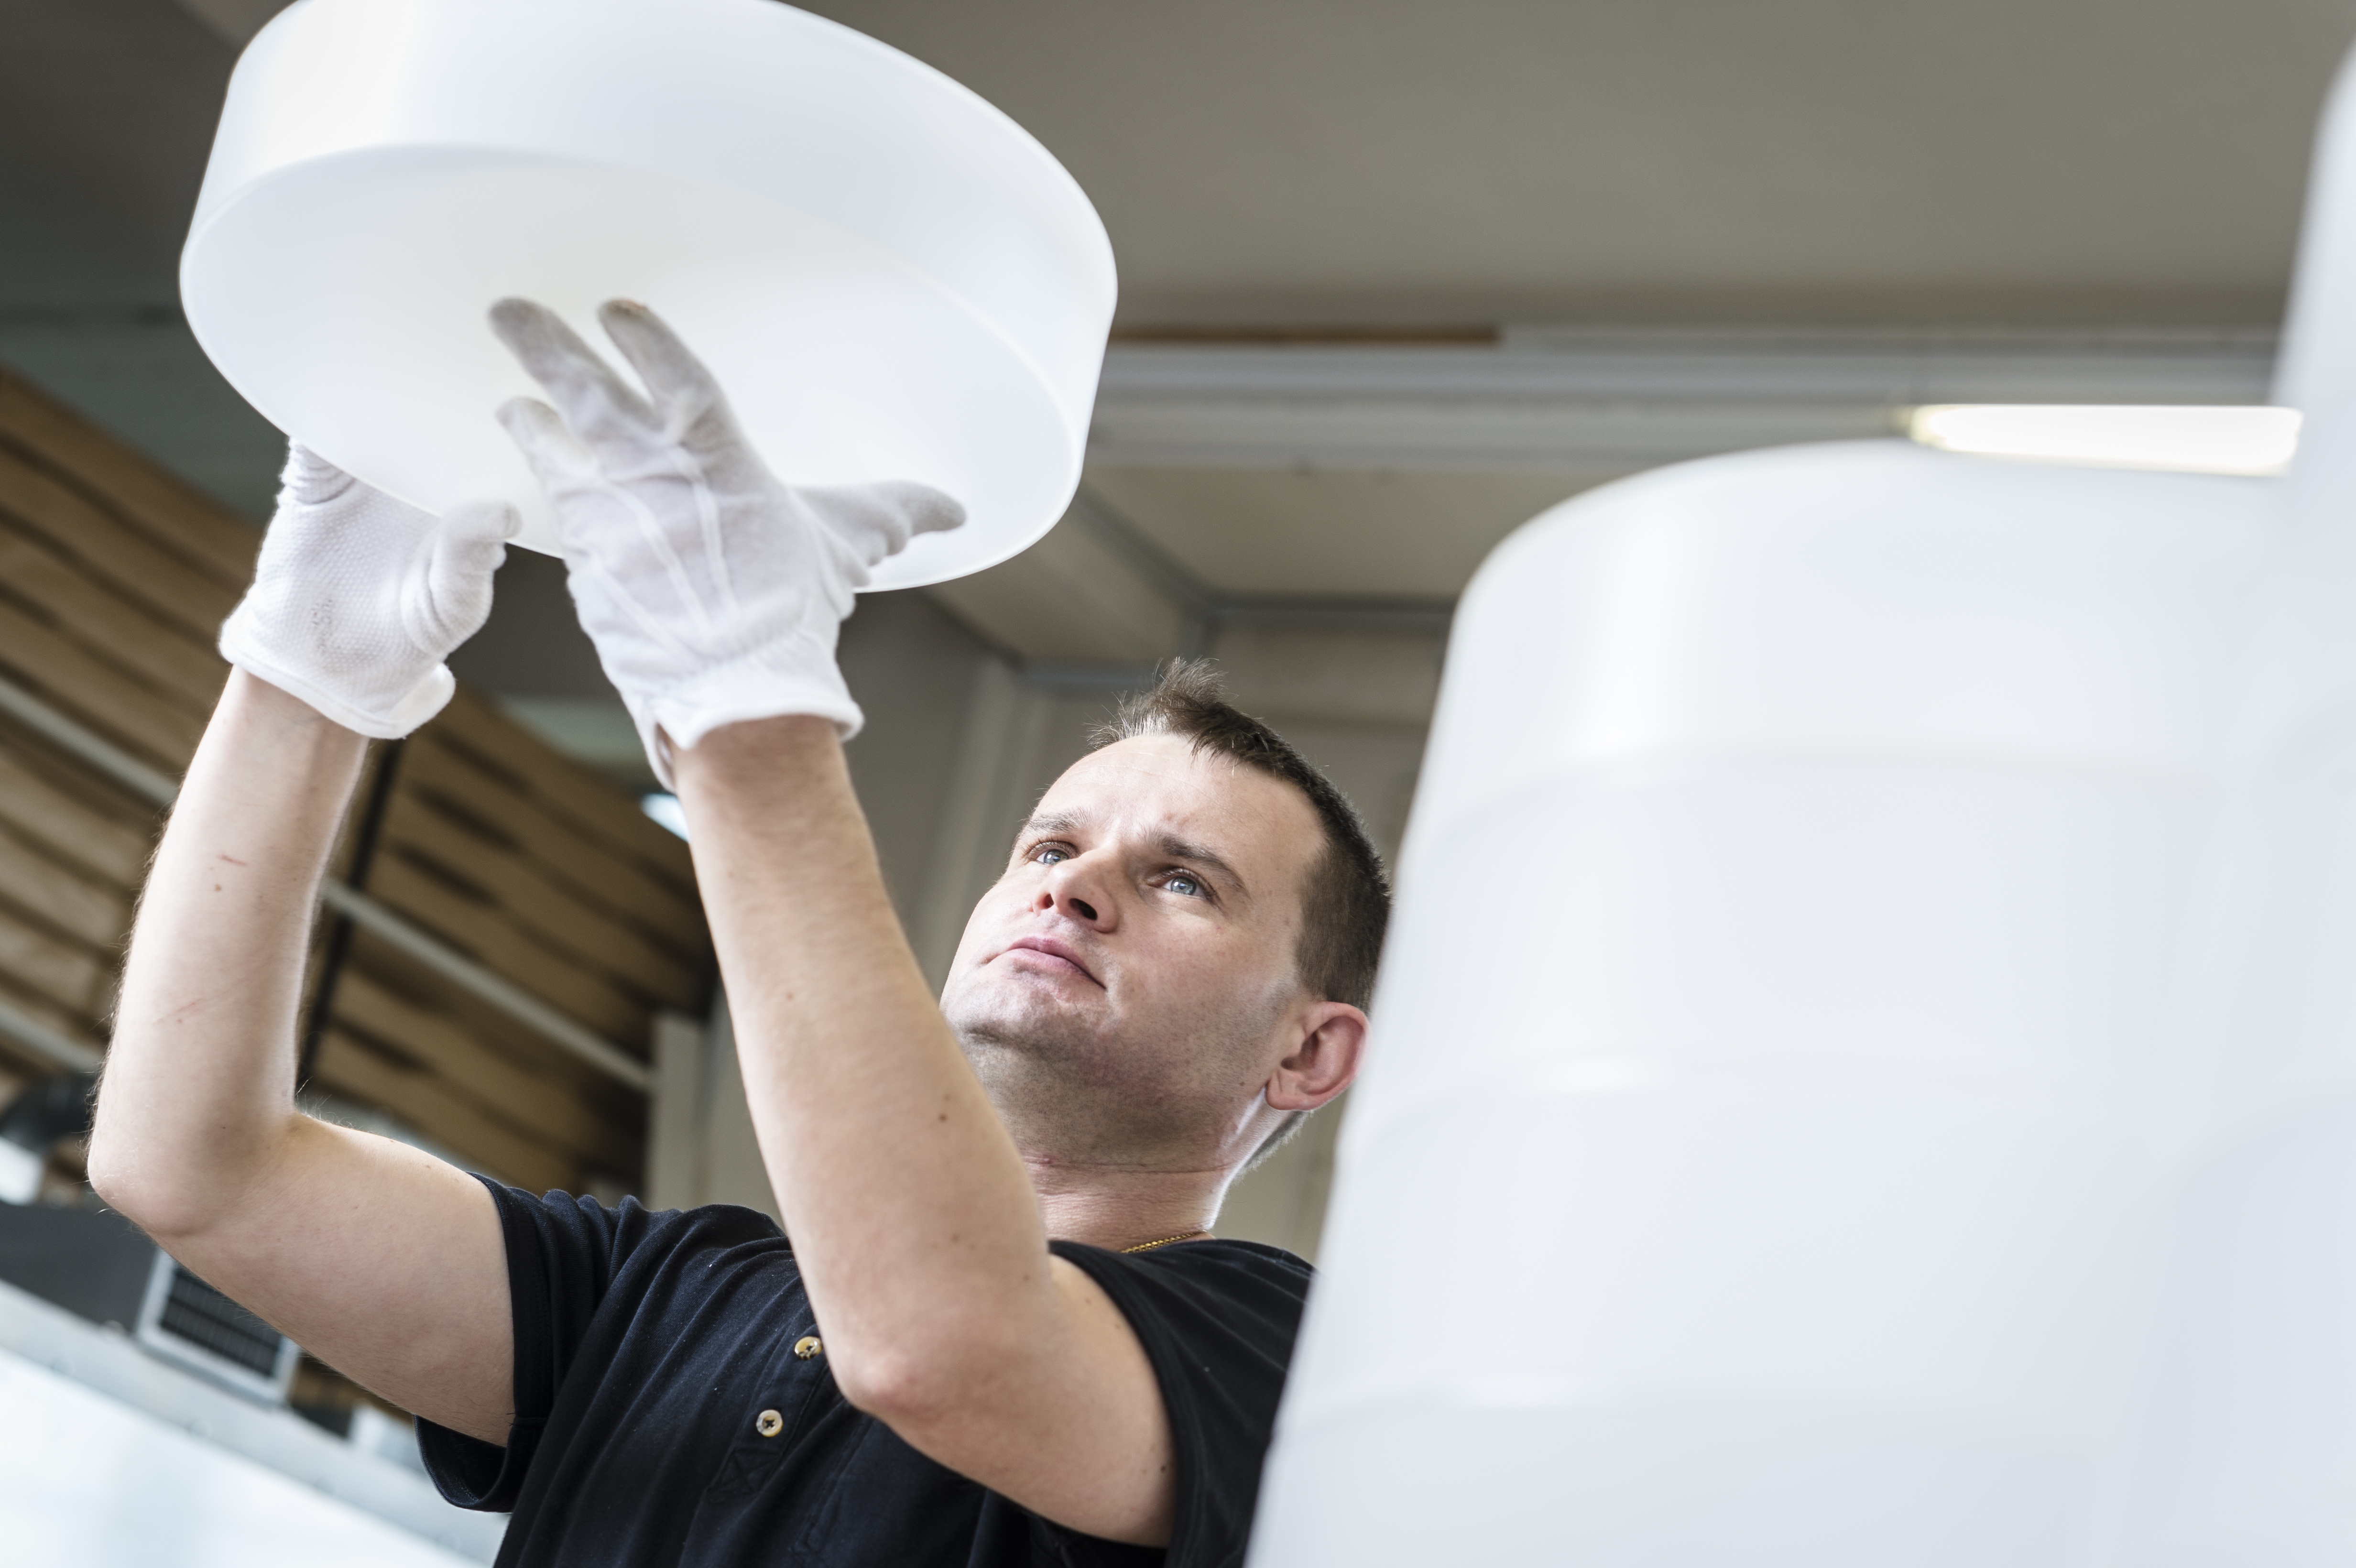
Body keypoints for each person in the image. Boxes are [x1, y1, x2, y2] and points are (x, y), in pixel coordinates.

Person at [86, 300, 1387, 1567]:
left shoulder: (1279, 1372)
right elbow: (194, 1170)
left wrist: (747, 713)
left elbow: (939, 1348)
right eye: (1050, 846)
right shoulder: (659, 1294)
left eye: (1184, 882)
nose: (1076, 885)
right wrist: (304, 675)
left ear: (1310, 1053)